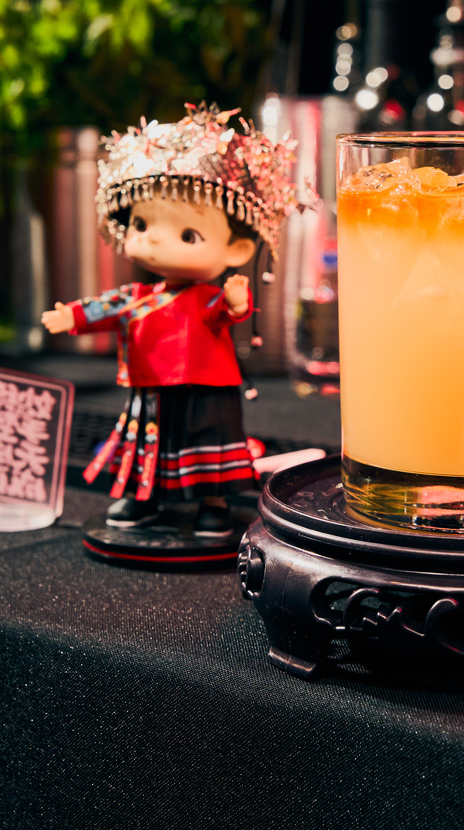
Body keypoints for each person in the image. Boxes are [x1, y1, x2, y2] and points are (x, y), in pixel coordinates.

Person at [41, 103, 298, 540]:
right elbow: (106, 307)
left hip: (205, 388)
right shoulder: (138, 296)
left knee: (207, 445)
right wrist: (73, 316)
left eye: (187, 235)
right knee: (149, 445)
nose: (154, 240)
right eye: (141, 224)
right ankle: (145, 497)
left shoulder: (208, 298)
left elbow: (227, 312)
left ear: (236, 249)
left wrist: (236, 302)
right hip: (151, 388)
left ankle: (213, 502)